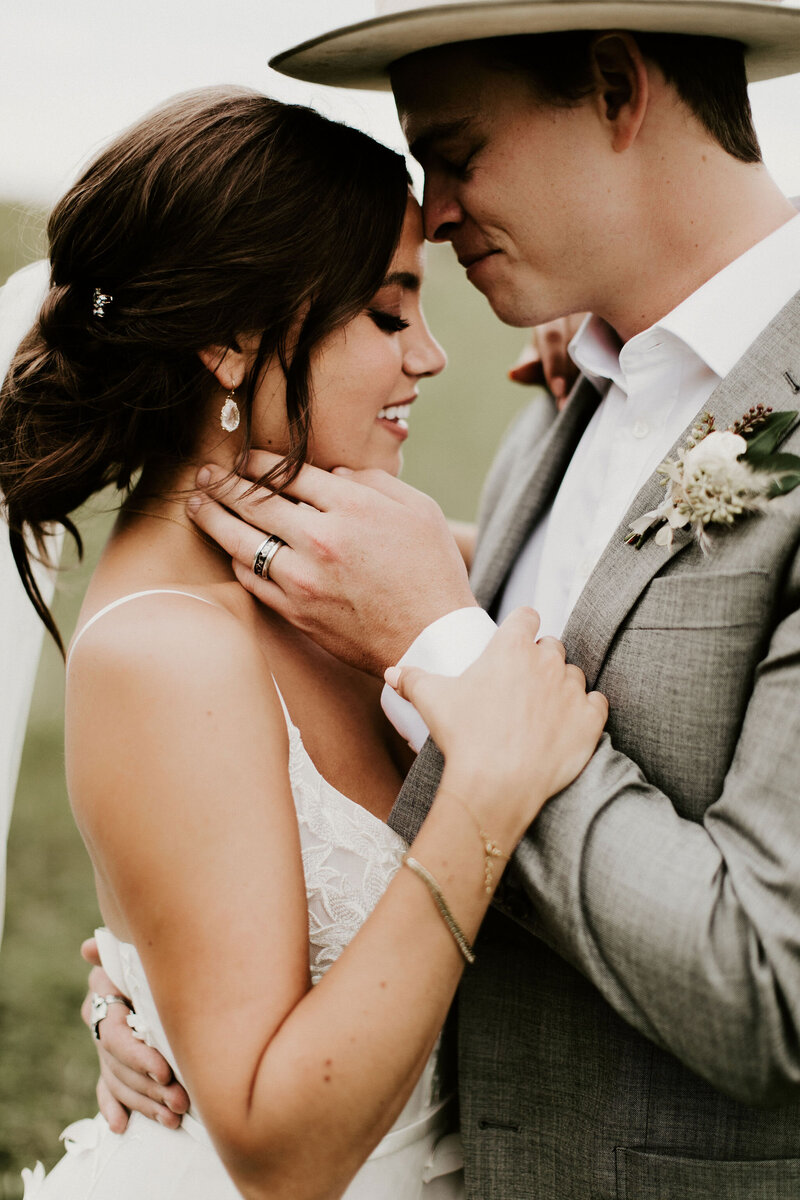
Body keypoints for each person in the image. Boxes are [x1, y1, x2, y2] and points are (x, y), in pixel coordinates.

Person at [94, 4, 800, 1197]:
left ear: (618, 87)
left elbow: (765, 988)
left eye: (454, 152)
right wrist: (178, 980)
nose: (430, 208)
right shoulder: (569, 394)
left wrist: (441, 652)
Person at [0, 84, 607, 1199]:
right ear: (231, 343)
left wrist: (607, 373)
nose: (427, 357)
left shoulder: (353, 570)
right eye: (386, 313)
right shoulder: (166, 652)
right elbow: (279, 1155)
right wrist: (482, 794)